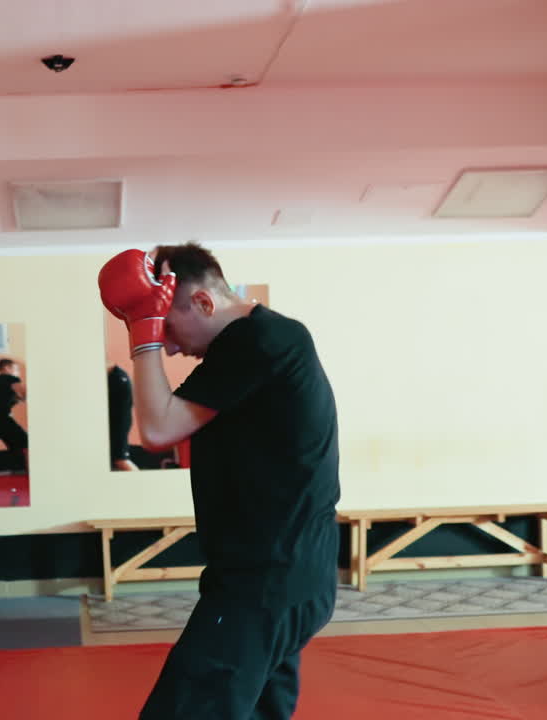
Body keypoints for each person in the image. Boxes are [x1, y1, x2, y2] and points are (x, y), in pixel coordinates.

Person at [98, 242, 341, 720]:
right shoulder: (249, 350)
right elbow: (169, 426)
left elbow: (155, 429)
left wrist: (142, 340)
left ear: (205, 303)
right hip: (279, 573)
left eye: (166, 326)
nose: (167, 344)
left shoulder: (262, 341)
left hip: (267, 578)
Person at [107, 364, 138, 471]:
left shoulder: (116, 379)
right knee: (120, 458)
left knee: (120, 458)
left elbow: (121, 459)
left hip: (115, 380)